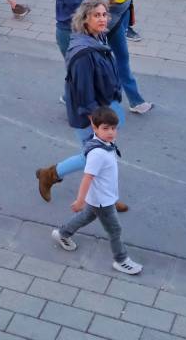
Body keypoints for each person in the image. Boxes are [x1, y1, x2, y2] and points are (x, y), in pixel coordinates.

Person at [33, 0, 126, 203]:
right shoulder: (84, 53)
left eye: (104, 15)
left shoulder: (97, 39)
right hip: (91, 115)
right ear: (85, 20)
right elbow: (84, 93)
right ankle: (49, 175)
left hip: (104, 107)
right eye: (96, 15)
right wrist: (98, 122)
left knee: (100, 154)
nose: (102, 19)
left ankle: (105, 193)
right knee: (94, 155)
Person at [49, 105, 143, 276]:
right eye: (105, 128)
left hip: (100, 196)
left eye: (113, 128)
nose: (111, 132)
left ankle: (63, 233)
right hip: (102, 201)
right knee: (115, 230)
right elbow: (87, 177)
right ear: (95, 128)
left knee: (86, 216)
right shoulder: (98, 153)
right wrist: (79, 200)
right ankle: (121, 260)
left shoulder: (105, 142)